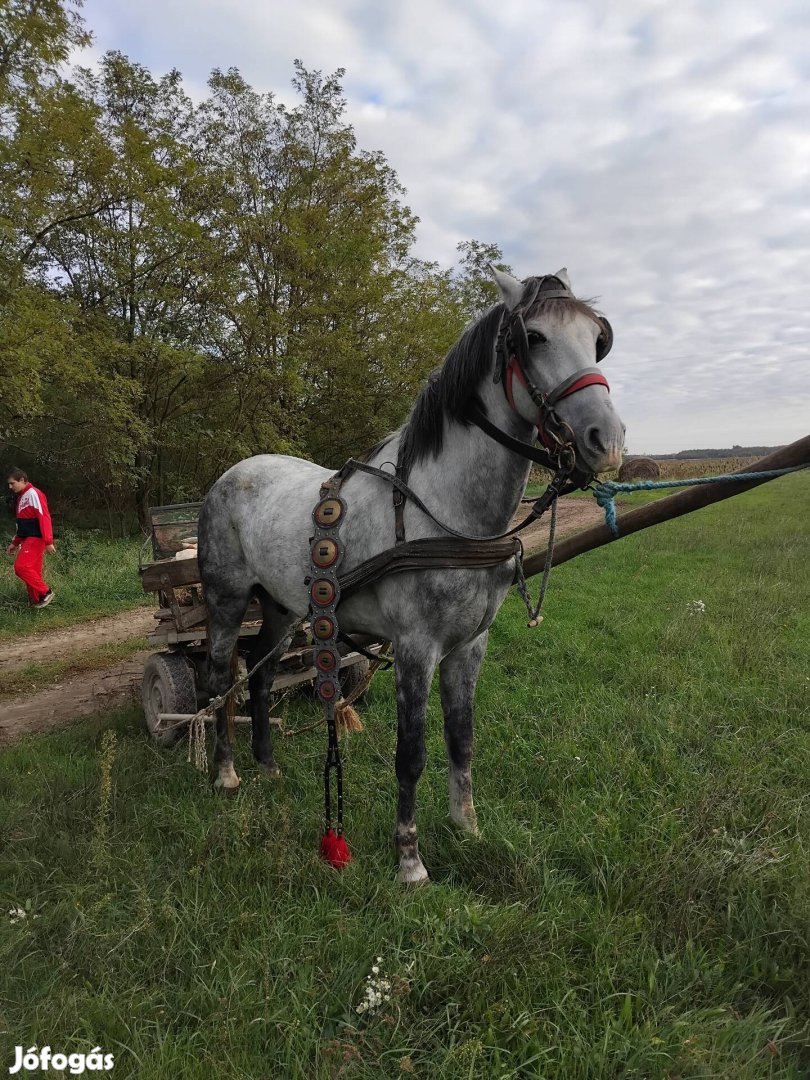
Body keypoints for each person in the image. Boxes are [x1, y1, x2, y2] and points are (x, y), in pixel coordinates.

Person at [5, 467, 56, 607]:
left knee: (21, 567)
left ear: (22, 480)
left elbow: (44, 517)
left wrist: (48, 541)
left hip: (36, 538)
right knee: (33, 572)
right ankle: (36, 603)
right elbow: (22, 525)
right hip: (28, 538)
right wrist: (14, 543)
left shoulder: (34, 494)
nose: (10, 487)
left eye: (12, 483)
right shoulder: (21, 497)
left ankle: (46, 592)